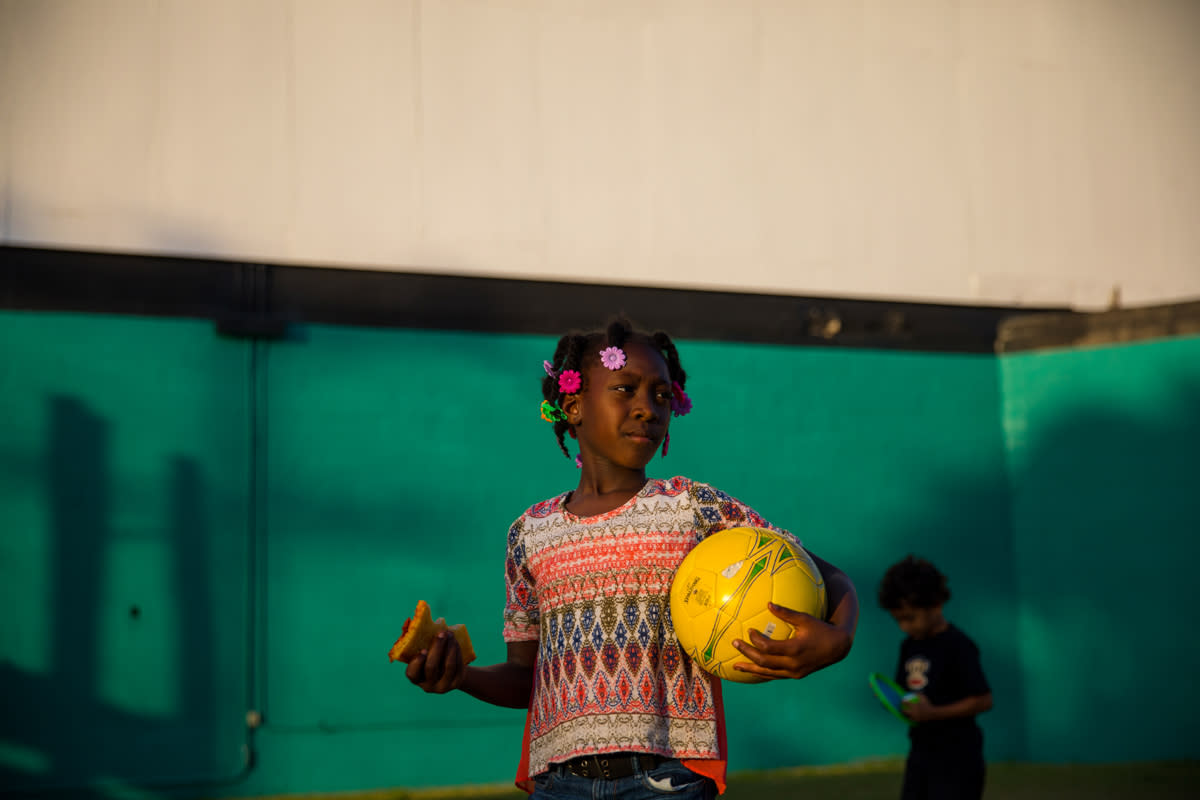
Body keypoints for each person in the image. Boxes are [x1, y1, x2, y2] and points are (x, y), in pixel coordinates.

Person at [406, 317, 860, 799]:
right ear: (573, 405)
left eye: (662, 395)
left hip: (668, 780)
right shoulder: (529, 533)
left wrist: (840, 636)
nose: (647, 408)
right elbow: (526, 678)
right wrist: (461, 678)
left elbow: (826, 574)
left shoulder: (693, 507)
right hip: (559, 786)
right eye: (626, 389)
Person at [877, 555, 993, 800]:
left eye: (910, 618)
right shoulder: (908, 646)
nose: (904, 627)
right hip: (921, 754)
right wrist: (897, 703)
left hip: (959, 759)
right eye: (898, 620)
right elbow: (903, 692)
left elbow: (983, 700)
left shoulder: (958, 645)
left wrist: (933, 714)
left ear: (936, 604)